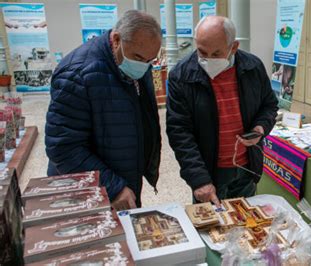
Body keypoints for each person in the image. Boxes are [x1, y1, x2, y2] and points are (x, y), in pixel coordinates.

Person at [45, 10, 162, 210]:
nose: (143, 66)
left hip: (124, 181)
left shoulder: (132, 60)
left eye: (149, 60)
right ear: (116, 40)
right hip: (91, 192)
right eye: (138, 57)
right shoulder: (78, 73)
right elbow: (63, 147)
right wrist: (113, 186)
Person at [166, 16, 278, 207]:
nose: (207, 59)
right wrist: (199, 179)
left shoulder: (253, 67)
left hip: (246, 167)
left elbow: (269, 105)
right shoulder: (181, 75)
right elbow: (179, 132)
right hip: (208, 171)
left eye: (216, 53)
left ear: (233, 47)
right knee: (211, 231)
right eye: (202, 52)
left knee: (246, 225)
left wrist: (260, 128)